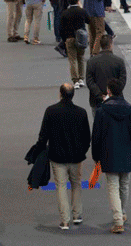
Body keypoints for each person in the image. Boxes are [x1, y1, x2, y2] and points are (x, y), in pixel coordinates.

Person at [91, 78, 131, 234]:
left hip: (109, 153)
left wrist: (96, 156)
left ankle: (117, 220)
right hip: (127, 153)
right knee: (124, 184)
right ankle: (122, 212)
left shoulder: (102, 111)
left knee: (113, 186)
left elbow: (96, 136)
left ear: (109, 91)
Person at [34, 83, 90, 230]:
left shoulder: (51, 111)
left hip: (57, 156)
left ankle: (64, 220)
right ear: (73, 95)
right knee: (76, 184)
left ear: (60, 94)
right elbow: (86, 137)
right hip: (76, 157)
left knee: (61, 186)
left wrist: (39, 149)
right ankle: (77, 215)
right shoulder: (81, 112)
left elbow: (43, 134)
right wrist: (82, 151)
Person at [85, 35, 126, 109]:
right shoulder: (119, 61)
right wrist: (112, 94)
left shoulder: (91, 61)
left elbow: (89, 81)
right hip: (116, 100)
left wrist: (100, 95)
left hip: (96, 100)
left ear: (100, 45)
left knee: (98, 119)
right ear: (111, 44)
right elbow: (122, 80)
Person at [60, 0, 90, 89]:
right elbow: (88, 21)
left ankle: (75, 80)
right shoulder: (82, 11)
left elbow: (61, 28)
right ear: (78, 1)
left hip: (69, 38)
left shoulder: (65, 13)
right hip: (81, 38)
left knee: (72, 60)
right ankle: (81, 78)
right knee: (81, 58)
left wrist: (64, 39)